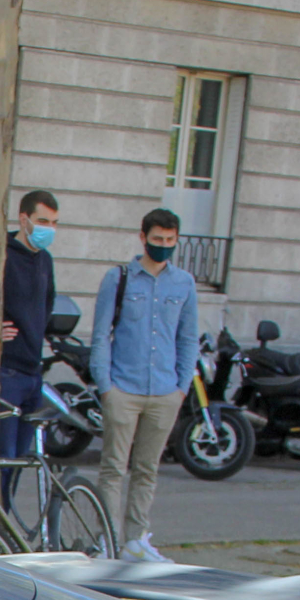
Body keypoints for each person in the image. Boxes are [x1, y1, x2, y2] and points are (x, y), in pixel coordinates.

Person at [90, 207, 198, 561]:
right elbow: (101, 335)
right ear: (143, 238)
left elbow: (187, 338)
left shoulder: (184, 283)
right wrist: (106, 385)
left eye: (170, 241)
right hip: (123, 387)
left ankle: (136, 540)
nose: (164, 246)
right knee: (113, 468)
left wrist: (181, 387)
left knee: (147, 469)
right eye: (157, 240)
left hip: (165, 390)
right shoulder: (119, 278)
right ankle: (107, 538)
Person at [0, 188, 59, 517]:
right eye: (43, 221)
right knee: (2, 460)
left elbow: (47, 307)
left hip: (33, 372)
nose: (50, 228)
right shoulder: (4, 254)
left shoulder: (44, 260)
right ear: (24, 219)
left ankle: (5, 522)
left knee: (20, 460)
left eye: (54, 222)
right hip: (7, 372)